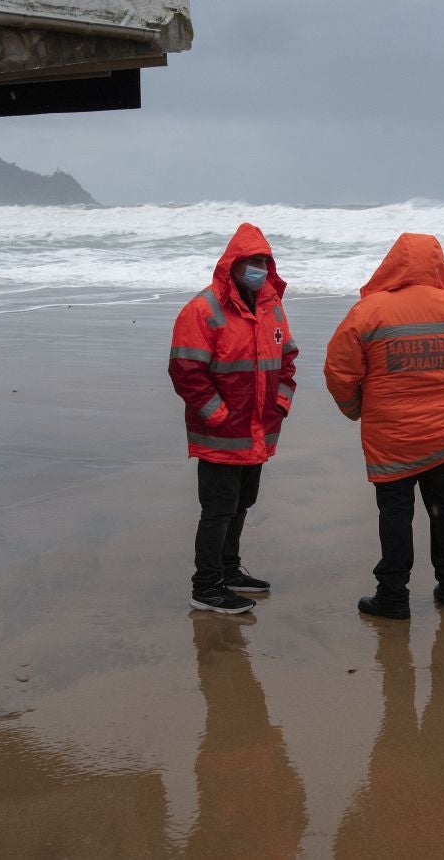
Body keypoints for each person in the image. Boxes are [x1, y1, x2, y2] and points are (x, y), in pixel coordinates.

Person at [324, 233, 444, 619]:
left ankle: (393, 596)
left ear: (392, 264)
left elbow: (338, 372)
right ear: (438, 264)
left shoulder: (367, 313)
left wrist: (357, 409)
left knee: (396, 515)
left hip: (390, 438)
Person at [170, 222, 298, 614]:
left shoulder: (272, 306)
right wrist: (218, 415)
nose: (258, 267)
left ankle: (227, 569)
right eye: (251, 261)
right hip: (221, 435)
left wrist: (280, 404)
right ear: (233, 264)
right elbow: (185, 371)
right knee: (218, 509)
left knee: (242, 502)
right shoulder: (203, 309)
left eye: (263, 260)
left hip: (257, 430)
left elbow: (288, 360)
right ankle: (206, 586)